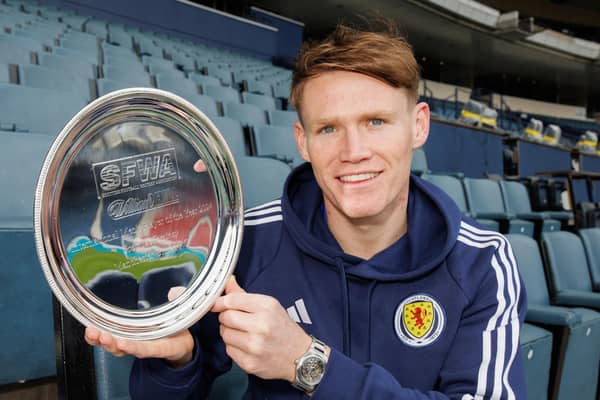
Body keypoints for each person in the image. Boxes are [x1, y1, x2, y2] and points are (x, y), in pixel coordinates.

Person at [86, 20, 527, 399]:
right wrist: (177, 362)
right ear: (303, 141)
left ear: (418, 126)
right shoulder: (244, 242)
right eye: (329, 128)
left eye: (376, 122)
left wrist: (306, 361)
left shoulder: (483, 263)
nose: (354, 151)